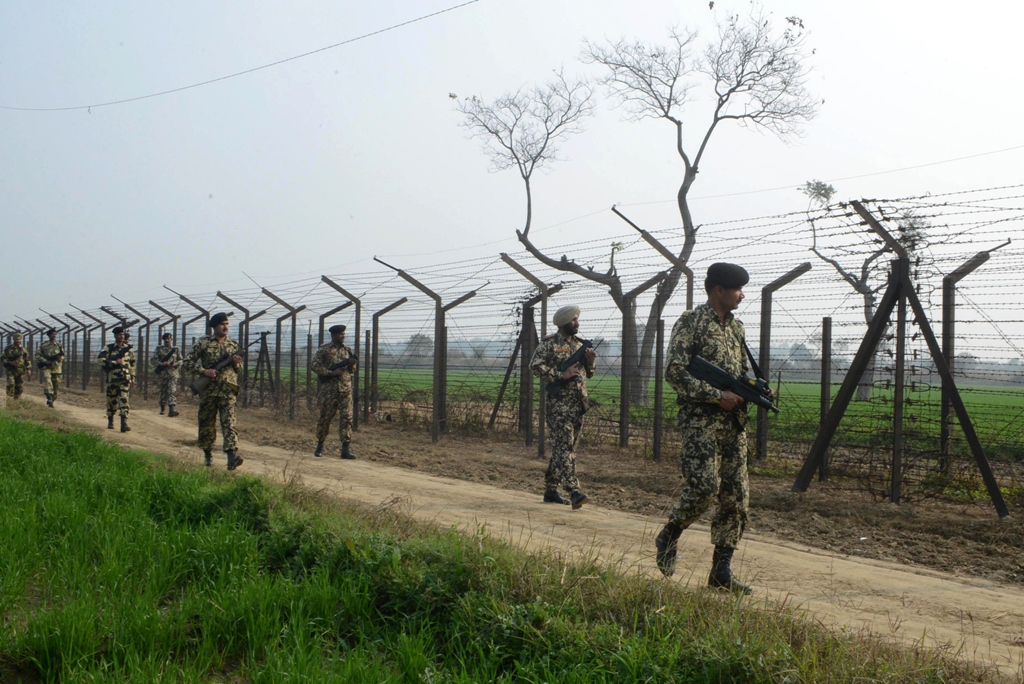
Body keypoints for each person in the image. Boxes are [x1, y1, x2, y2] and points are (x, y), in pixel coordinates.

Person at [655, 262, 762, 594]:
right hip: (701, 422)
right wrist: (716, 396)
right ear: (719, 291)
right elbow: (674, 371)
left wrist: (753, 388)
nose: (742, 295)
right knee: (703, 488)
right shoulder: (691, 322)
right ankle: (669, 534)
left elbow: (738, 374)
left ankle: (721, 571)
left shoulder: (737, 328)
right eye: (737, 290)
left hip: (734, 424)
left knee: (736, 498)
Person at [530, 304, 596, 510]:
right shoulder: (550, 344)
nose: (577, 323)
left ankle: (551, 490)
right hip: (559, 406)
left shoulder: (580, 345)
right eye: (574, 320)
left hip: (578, 404)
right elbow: (535, 366)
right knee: (564, 447)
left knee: (566, 448)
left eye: (577, 319)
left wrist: (591, 362)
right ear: (564, 322)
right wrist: (560, 375)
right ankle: (574, 491)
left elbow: (589, 374)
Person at [182, 312, 244, 469]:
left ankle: (231, 456)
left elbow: (239, 370)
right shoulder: (203, 343)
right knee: (207, 423)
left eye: (227, 324)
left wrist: (237, 364)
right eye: (222, 324)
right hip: (209, 391)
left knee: (229, 423)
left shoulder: (233, 345)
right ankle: (208, 454)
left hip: (228, 391)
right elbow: (187, 362)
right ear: (215, 326)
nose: (225, 327)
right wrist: (204, 371)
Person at [310, 324, 357, 459]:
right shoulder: (325, 350)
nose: (343, 336)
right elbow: (314, 366)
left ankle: (345, 448)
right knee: (325, 418)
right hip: (330, 391)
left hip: (345, 390)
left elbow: (351, 371)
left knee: (347, 418)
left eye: (343, 333)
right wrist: (330, 372)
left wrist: (352, 364)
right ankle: (320, 445)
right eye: (340, 334)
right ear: (333, 335)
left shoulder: (347, 350)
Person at [98, 326, 136, 432]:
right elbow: (100, 359)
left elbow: (132, 364)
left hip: (125, 379)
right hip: (113, 380)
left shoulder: (129, 349)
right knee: (111, 400)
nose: (121, 336)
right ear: (115, 336)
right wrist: (113, 363)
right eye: (119, 334)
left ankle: (124, 423)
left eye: (123, 334)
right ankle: (110, 419)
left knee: (124, 400)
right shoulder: (109, 348)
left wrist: (133, 377)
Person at [151, 332, 182, 417]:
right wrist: (161, 364)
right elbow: (153, 360)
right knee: (163, 391)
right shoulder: (159, 349)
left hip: (173, 374)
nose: (167, 340)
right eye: (165, 339)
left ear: (171, 339)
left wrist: (175, 364)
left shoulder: (176, 349)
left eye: (168, 339)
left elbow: (181, 360)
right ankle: (162, 408)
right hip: (163, 374)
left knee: (171, 391)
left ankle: (171, 409)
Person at [35, 328, 65, 407]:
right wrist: (45, 361)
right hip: (47, 368)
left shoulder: (59, 345)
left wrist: (59, 358)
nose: (54, 335)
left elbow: (62, 356)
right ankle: (49, 397)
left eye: (55, 334)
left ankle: (52, 401)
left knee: (56, 387)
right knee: (48, 381)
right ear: (49, 335)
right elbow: (37, 355)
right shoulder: (44, 345)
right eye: (52, 334)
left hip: (57, 368)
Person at [2, 332, 32, 402]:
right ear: (14, 340)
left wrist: (28, 369)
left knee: (19, 387)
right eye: (16, 339)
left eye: (19, 339)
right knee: (11, 384)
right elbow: (3, 358)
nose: (18, 341)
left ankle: (16, 401)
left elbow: (27, 359)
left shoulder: (23, 349)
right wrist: (10, 362)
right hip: (11, 370)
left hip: (20, 371)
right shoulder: (8, 348)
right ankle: (9, 401)